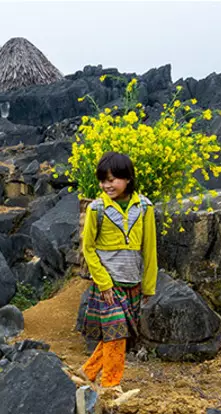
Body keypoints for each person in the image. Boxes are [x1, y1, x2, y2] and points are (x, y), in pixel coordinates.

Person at [79, 151, 157, 393]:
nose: (107, 185)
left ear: (128, 178)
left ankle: (87, 373)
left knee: (117, 333)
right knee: (116, 337)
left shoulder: (145, 207)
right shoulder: (97, 209)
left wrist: (148, 285)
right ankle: (111, 385)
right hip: (108, 286)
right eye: (103, 180)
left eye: (112, 179)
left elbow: (150, 248)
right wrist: (104, 283)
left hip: (132, 283)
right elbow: (88, 248)